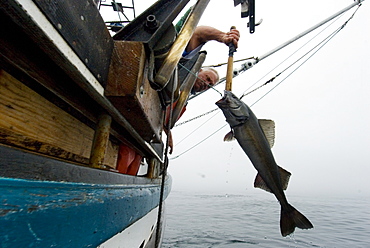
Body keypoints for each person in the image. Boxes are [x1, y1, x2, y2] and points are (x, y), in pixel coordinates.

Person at [165, 25, 240, 154]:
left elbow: (163, 118)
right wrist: (223, 37)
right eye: (207, 78)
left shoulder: (183, 100)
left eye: (210, 84)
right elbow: (198, 33)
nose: (207, 84)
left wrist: (168, 132)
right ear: (199, 70)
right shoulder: (183, 66)